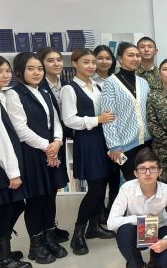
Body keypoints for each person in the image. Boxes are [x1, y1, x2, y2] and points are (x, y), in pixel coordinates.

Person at [6, 52, 68, 264]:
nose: (36, 72)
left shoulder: (44, 91)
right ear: (19, 71)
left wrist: (57, 141)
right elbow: (20, 129)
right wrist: (48, 148)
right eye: (31, 68)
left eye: (39, 68)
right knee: (36, 200)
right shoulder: (14, 94)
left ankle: (49, 238)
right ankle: (36, 245)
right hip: (32, 155)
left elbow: (56, 121)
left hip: (51, 151)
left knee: (50, 197)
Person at [61, 49, 116, 256]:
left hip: (103, 139)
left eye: (94, 62)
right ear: (75, 63)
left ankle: (94, 227)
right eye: (86, 62)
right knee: (94, 189)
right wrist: (97, 120)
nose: (92, 66)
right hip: (87, 140)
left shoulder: (97, 86)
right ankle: (78, 234)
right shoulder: (70, 88)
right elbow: (69, 120)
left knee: (101, 188)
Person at [107, 148, 167, 268]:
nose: (147, 173)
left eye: (152, 168)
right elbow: (111, 223)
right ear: (136, 173)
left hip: (159, 227)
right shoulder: (127, 188)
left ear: (160, 171)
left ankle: (155, 257)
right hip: (135, 230)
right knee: (124, 230)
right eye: (142, 169)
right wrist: (140, 219)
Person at [0, 55, 32, 268]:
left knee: (15, 205)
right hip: (1, 167)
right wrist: (13, 173)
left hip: (5, 165)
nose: (5, 75)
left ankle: (3, 252)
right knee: (5, 209)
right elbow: (1, 141)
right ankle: (3, 259)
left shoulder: (1, 96)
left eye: (7, 71)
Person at [101, 42, 152, 182]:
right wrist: (114, 145)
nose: (135, 58)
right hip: (123, 146)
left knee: (148, 182)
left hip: (146, 143)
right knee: (133, 182)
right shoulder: (111, 82)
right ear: (120, 59)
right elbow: (108, 117)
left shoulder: (143, 82)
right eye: (130, 55)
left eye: (137, 55)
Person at [36, 47, 70, 242]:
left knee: (54, 187)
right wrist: (51, 144)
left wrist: (59, 140)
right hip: (44, 145)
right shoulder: (38, 86)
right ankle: (43, 232)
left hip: (60, 141)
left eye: (58, 59)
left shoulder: (65, 84)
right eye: (50, 60)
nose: (56, 63)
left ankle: (50, 227)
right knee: (44, 190)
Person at [92, 45, 120, 225]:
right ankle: (99, 212)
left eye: (108, 58)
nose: (104, 62)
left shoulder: (117, 80)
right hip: (98, 135)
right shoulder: (90, 81)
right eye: (100, 58)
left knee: (115, 174)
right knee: (100, 178)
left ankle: (113, 210)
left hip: (117, 135)